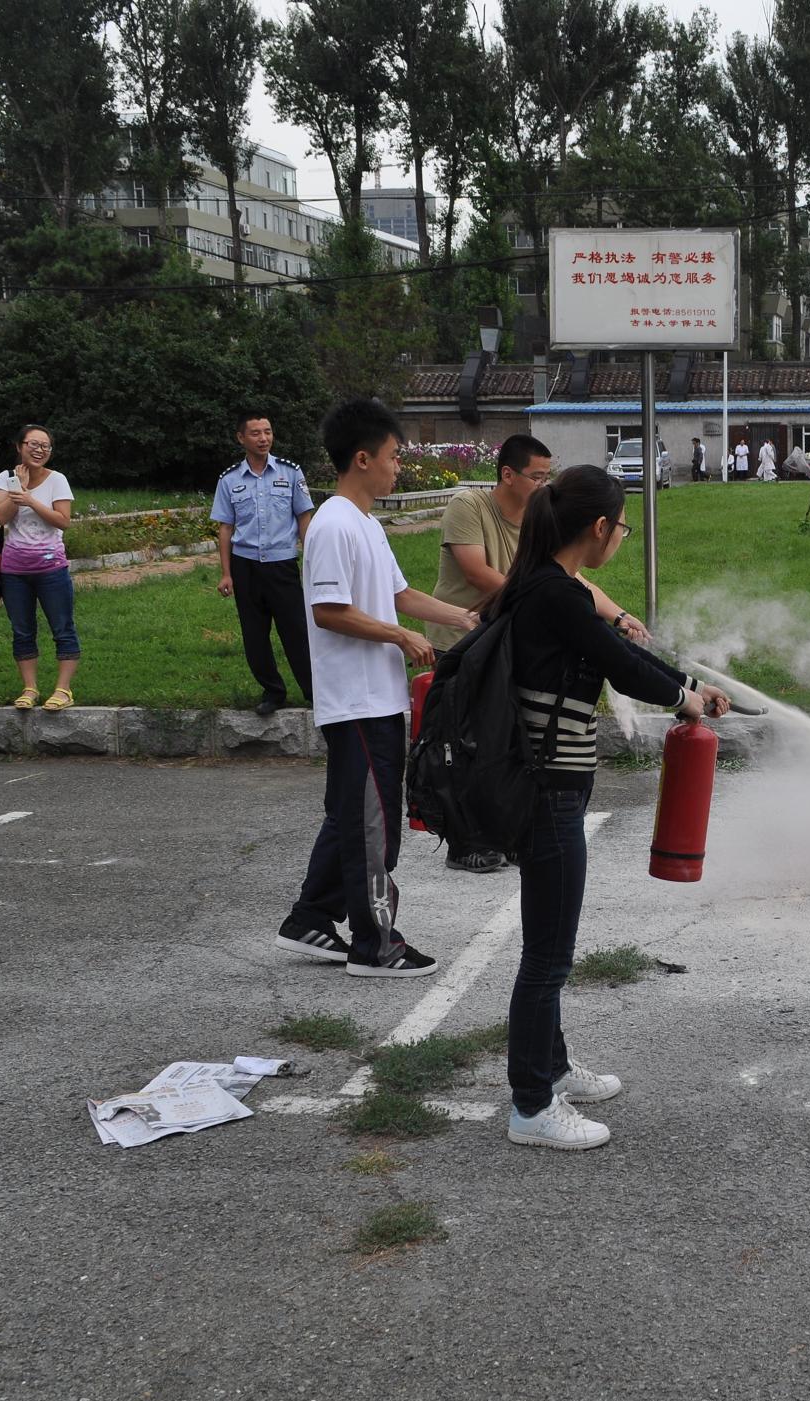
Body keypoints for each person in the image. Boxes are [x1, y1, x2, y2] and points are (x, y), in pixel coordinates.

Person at [493, 465, 729, 1151]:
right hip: (548, 794)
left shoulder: (548, 587)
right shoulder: (555, 594)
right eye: (622, 527)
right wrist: (686, 698)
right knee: (547, 957)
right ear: (599, 528)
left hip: (553, 789)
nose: (622, 536)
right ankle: (531, 1107)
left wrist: (687, 685)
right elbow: (620, 665)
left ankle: (552, 1069)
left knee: (548, 949)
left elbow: (618, 652)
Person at [272, 398, 478, 978]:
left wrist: (466, 619)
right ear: (362, 459)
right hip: (355, 702)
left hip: (377, 699)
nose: (398, 467)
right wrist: (400, 636)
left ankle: (310, 918)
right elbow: (329, 611)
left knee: (349, 816)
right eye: (393, 456)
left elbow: (399, 595)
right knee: (373, 825)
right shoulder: (333, 524)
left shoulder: (365, 524)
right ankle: (376, 945)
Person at [426, 433, 649, 874]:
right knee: (469, 744)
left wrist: (619, 615)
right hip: (464, 641)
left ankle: (508, 828)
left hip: (511, 645)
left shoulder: (540, 520)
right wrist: (544, 599)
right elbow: (477, 573)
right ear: (507, 474)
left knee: (509, 744)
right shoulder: (470, 507)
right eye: (537, 476)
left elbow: (572, 580)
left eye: (549, 476)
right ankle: (465, 841)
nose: (545, 485)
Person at [211, 413, 315, 716]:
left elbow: (304, 518)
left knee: (296, 631)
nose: (263, 438)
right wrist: (226, 573)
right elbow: (225, 528)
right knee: (254, 635)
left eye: (268, 432)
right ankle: (273, 691)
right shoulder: (229, 479)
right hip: (246, 566)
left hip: (282, 565)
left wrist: (311, 560)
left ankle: (315, 692)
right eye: (255, 433)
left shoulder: (290, 472)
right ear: (241, 438)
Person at [0, 425, 80, 710]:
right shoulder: (6, 478)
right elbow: (0, 517)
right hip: (14, 571)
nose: (39, 450)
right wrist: (19, 488)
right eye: (33, 444)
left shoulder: (57, 480)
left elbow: (63, 520)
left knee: (62, 627)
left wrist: (30, 499)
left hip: (51, 568)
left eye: (45, 446)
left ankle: (63, 690)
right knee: (22, 630)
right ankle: (30, 688)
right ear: (19, 446)